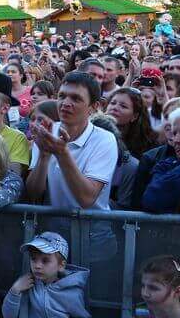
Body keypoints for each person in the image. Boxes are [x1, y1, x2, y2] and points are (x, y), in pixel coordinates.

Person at [25, 72, 118, 258]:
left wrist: (61, 153)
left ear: (94, 106)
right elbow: (33, 192)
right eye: (62, 96)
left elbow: (86, 198)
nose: (66, 103)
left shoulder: (105, 140)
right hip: (53, 236)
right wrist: (43, 157)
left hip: (93, 238)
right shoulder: (48, 131)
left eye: (76, 98)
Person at [106, 87, 159, 159]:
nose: (115, 108)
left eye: (123, 106)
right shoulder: (93, 130)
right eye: (113, 103)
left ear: (134, 116)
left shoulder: (148, 148)